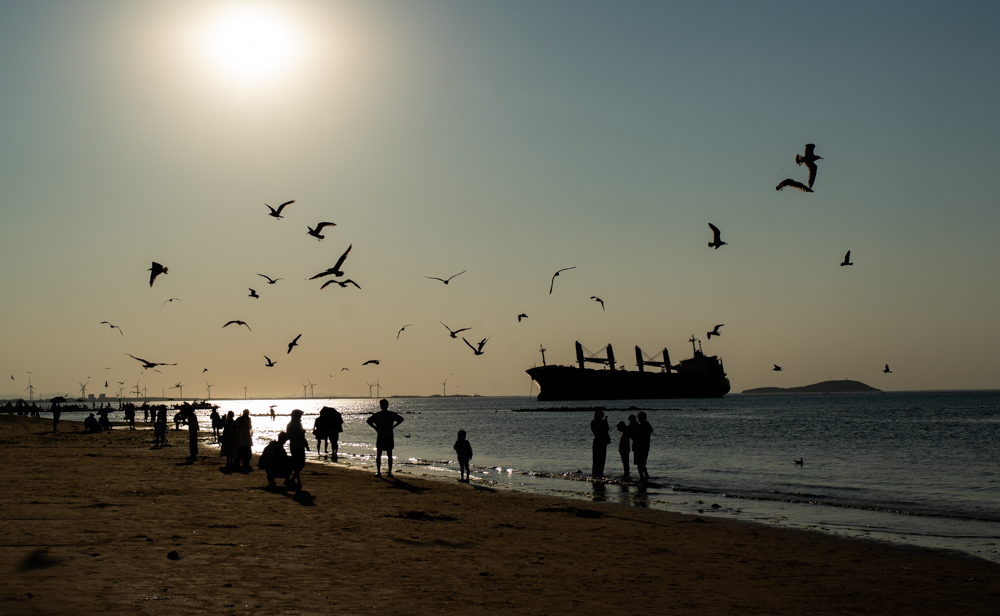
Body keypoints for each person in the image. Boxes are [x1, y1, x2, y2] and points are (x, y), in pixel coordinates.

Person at [366, 399, 404, 478]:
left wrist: (375, 427)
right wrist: (393, 426)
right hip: (387, 436)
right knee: (387, 454)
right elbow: (401, 419)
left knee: (381, 454)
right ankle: (387, 472)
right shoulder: (390, 414)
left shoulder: (378, 415)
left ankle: (381, 472)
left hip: (383, 436)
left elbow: (369, 421)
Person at [286, 409, 309, 487]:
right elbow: (301, 436)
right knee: (300, 464)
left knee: (295, 463)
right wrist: (306, 445)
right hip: (299, 446)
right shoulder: (297, 424)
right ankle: (293, 479)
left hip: (293, 445)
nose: (300, 417)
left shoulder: (289, 424)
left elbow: (288, 435)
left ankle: (293, 479)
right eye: (300, 415)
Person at [629, 411, 654, 481]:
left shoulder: (643, 426)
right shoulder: (643, 426)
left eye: (639, 418)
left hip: (641, 447)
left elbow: (637, 434)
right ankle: (644, 476)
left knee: (640, 463)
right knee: (641, 463)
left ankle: (643, 476)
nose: (638, 419)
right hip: (642, 447)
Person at [590, 410, 610, 478]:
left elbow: (606, 429)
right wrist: (604, 423)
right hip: (598, 442)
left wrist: (605, 422)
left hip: (602, 442)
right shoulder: (594, 422)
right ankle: (596, 474)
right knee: (596, 460)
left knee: (602, 460)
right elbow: (598, 430)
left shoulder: (601, 421)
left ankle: (600, 473)